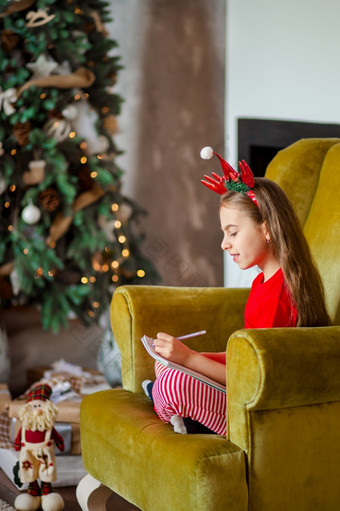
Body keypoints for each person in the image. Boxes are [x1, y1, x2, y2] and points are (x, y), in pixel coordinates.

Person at [144, 146, 331, 436]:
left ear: (266, 229)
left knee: (173, 382)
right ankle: (173, 402)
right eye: (224, 233)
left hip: (257, 408)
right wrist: (192, 357)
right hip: (242, 386)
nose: (224, 243)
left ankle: (182, 414)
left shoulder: (281, 296)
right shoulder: (262, 283)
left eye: (232, 232)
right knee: (168, 369)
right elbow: (243, 359)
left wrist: (192, 362)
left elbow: (253, 378)